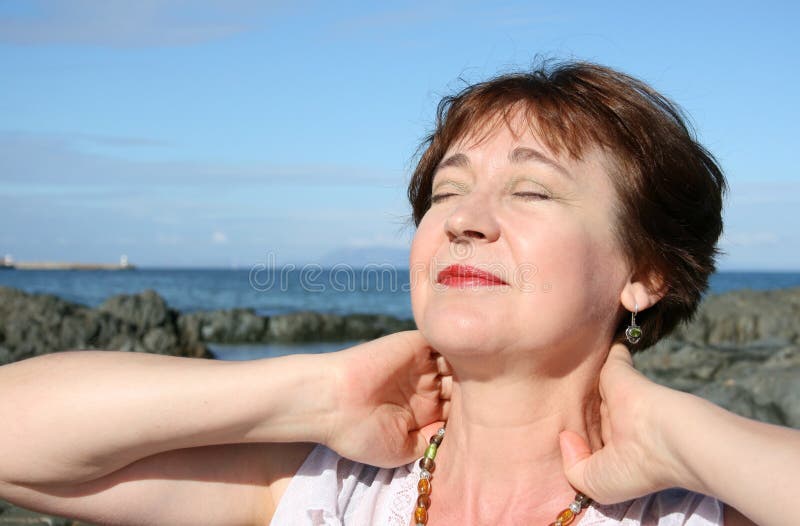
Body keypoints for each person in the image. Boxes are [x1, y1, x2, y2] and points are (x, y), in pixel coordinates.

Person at [0, 60, 797, 526]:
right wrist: (316, 389)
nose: (466, 223)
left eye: (532, 192)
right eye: (447, 193)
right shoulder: (331, 488)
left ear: (645, 273)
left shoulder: (696, 507)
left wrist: (677, 433)